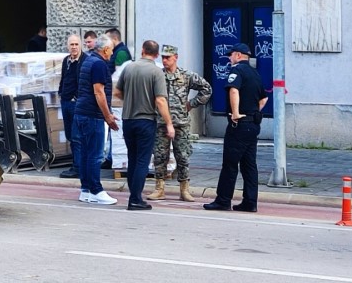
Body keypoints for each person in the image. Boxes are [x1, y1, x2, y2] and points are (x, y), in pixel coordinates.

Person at [204, 42, 268, 213]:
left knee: (230, 164)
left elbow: (233, 90)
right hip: (253, 124)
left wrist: (236, 113)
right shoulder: (255, 73)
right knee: (249, 165)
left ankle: (223, 200)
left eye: (231, 55)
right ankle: (250, 202)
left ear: (238, 55)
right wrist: (252, 112)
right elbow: (264, 99)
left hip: (240, 125)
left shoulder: (237, 71)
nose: (229, 58)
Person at [146, 45, 212, 201]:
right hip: (161, 122)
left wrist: (191, 104)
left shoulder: (186, 75)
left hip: (181, 123)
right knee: (160, 156)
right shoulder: (158, 75)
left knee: (183, 156)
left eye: (168, 57)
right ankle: (159, 188)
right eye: (163, 57)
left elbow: (206, 89)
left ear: (176, 57)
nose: (164, 60)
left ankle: (184, 189)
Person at [114, 40, 174, 211]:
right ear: (157, 54)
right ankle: (135, 199)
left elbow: (117, 92)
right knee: (142, 160)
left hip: (128, 120)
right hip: (146, 120)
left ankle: (134, 196)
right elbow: (160, 100)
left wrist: (130, 99)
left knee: (132, 159)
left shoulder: (129, 68)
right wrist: (169, 123)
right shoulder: (156, 72)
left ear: (142, 51)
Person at [72, 36, 120, 205]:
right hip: (92, 115)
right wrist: (108, 116)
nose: (112, 53)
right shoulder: (99, 64)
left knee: (86, 153)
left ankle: (85, 190)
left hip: (81, 112)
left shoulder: (88, 60)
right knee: (95, 155)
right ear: (105, 49)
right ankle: (96, 190)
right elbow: (99, 92)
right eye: (111, 49)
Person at [58, 34, 85, 179]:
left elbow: (84, 82)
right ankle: (76, 164)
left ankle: (78, 168)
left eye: (76, 44)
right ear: (67, 46)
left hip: (76, 103)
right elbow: (64, 78)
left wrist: (76, 97)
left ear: (80, 45)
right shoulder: (66, 60)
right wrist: (60, 92)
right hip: (65, 101)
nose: (74, 47)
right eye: (71, 44)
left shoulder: (84, 60)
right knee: (69, 134)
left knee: (76, 136)